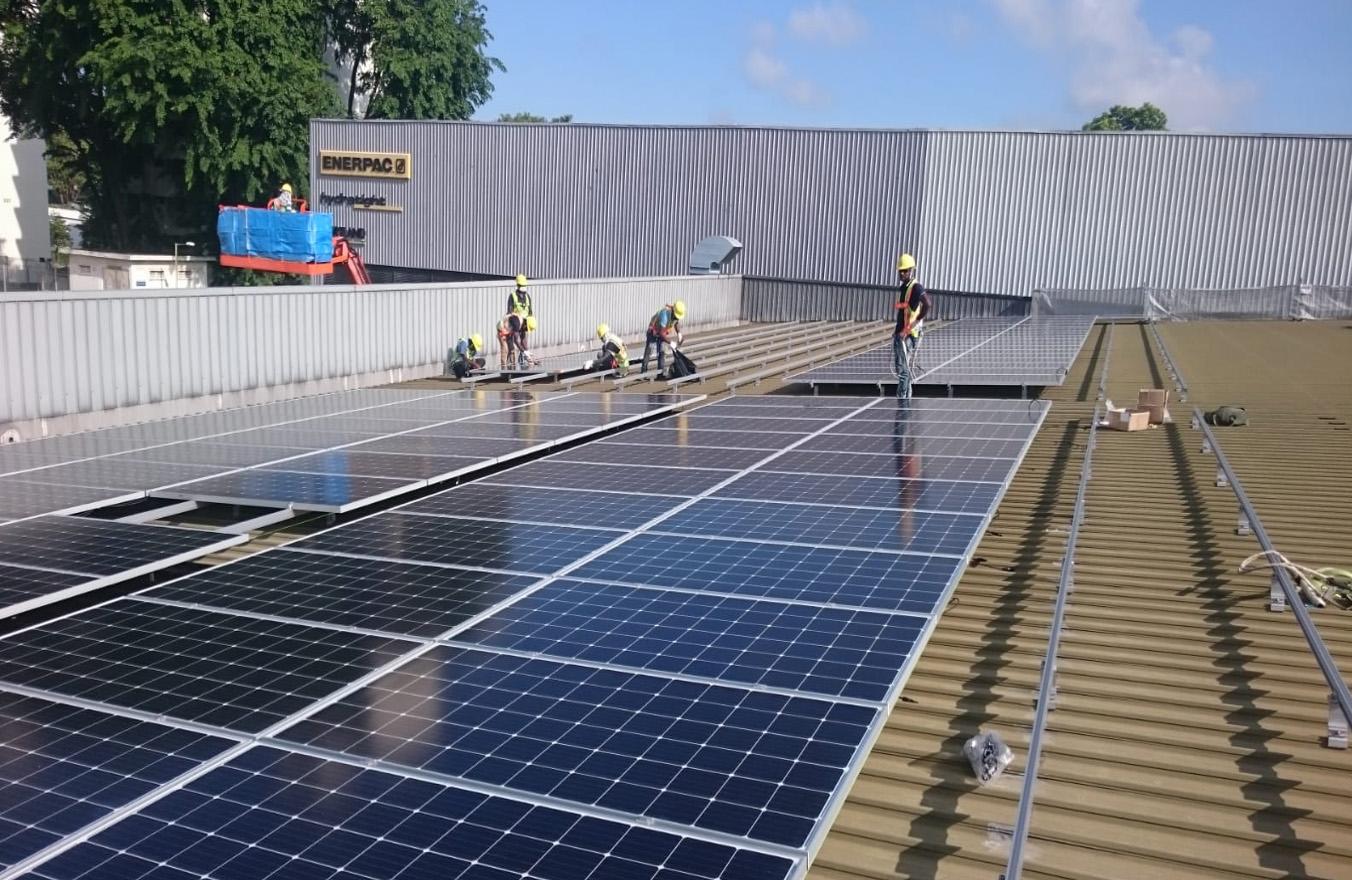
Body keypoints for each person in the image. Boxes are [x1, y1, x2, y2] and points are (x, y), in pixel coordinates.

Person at [893, 253, 931, 400]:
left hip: (907, 336)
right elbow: (906, 310)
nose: (902, 273)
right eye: (900, 271)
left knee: (903, 371)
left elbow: (928, 304)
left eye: (905, 270)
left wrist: (914, 324)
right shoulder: (905, 288)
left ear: (911, 270)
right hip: (901, 334)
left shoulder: (916, 287)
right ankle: (905, 399)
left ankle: (902, 400)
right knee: (902, 369)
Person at [641, 299, 686, 374]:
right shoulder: (664, 315)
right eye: (677, 316)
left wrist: (679, 333)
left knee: (662, 352)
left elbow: (676, 322)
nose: (677, 318)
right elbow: (661, 334)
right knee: (649, 351)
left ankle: (660, 373)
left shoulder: (675, 315)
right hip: (653, 332)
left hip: (662, 332)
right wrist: (671, 342)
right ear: (674, 312)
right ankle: (643, 372)